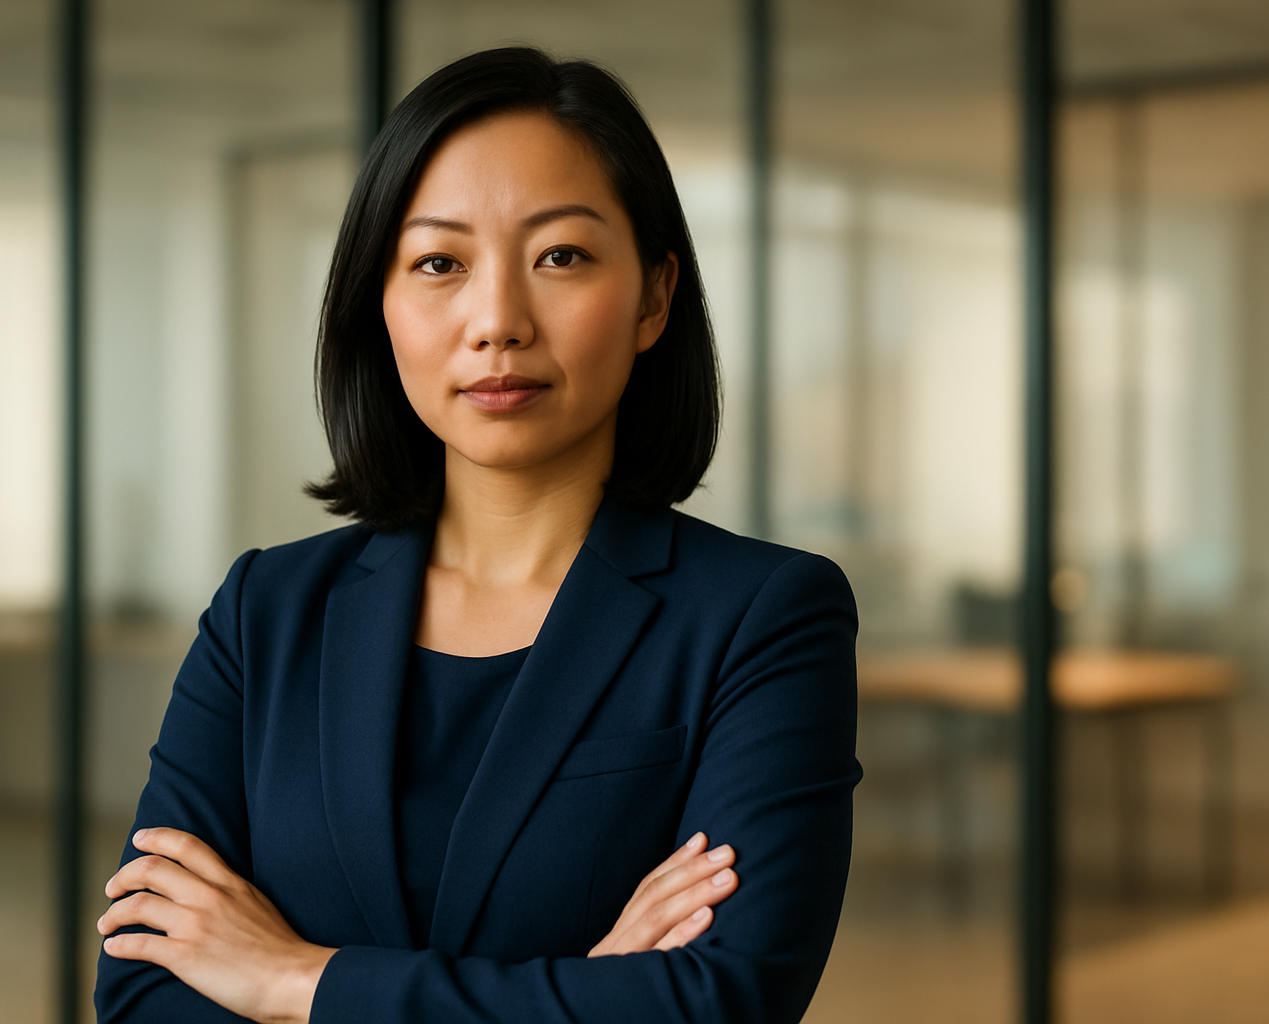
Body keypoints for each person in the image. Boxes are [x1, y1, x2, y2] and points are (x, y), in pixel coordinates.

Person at [93, 46, 860, 1024]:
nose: (497, 320)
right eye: (439, 263)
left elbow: (720, 1001)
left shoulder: (762, 618)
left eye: (561, 256)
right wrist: (587, 990)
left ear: (655, 298)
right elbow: (144, 996)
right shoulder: (265, 614)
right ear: (382, 302)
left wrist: (295, 980)